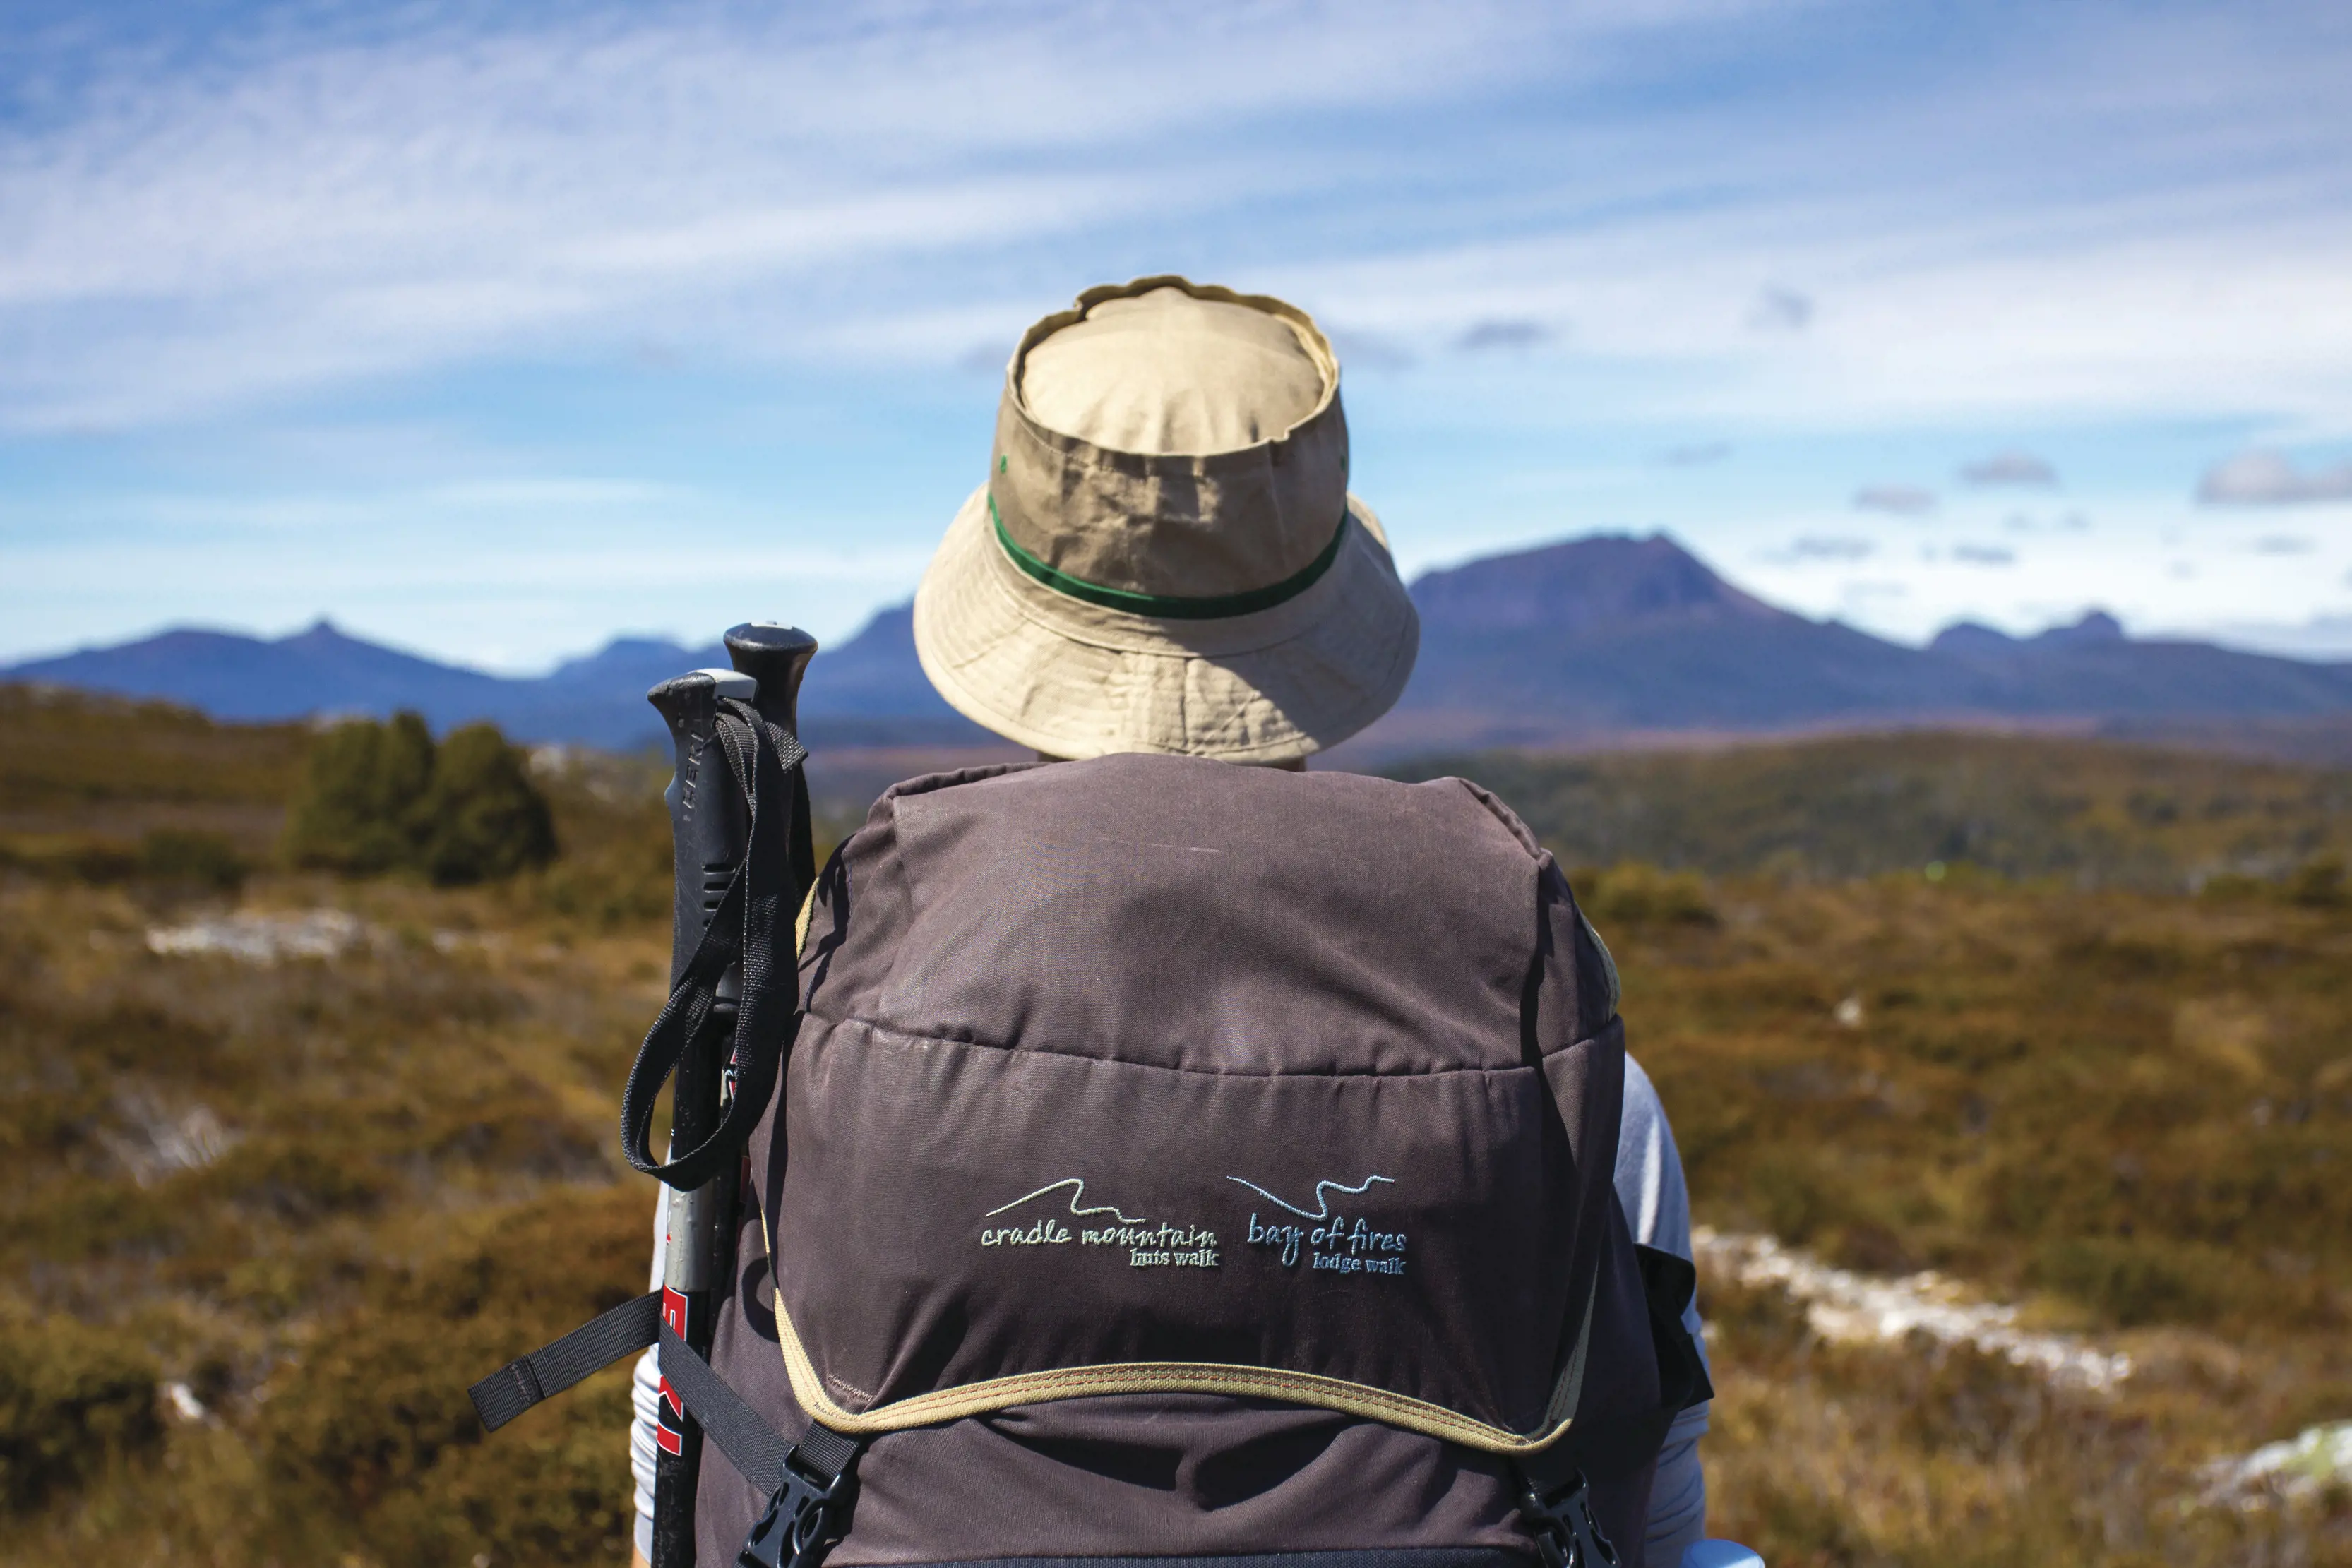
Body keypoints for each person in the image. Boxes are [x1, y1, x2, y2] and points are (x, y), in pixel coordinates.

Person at [628, 276, 1710, 1567]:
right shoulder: (1561, 1068)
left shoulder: (800, 1035)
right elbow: (1656, 1508)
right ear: (1323, 597)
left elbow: (684, 1439)